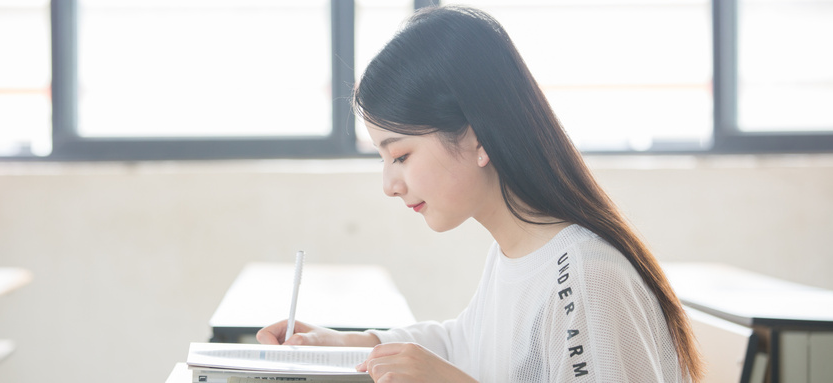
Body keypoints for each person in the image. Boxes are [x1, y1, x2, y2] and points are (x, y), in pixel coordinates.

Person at [257, 5, 703, 382]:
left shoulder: (584, 276)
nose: (389, 185)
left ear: (476, 139)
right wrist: (348, 343)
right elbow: (464, 345)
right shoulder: (517, 253)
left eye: (401, 155)